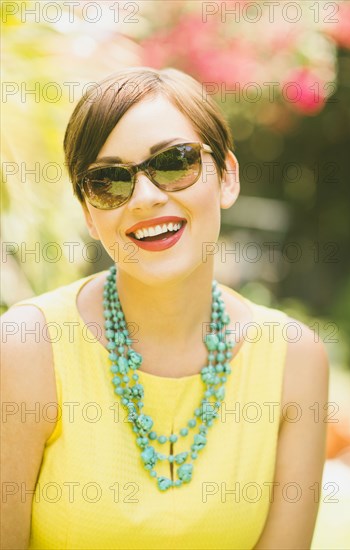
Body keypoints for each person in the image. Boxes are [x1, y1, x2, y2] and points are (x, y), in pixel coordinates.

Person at [1, 67, 329, 550]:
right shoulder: (27, 349)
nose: (147, 198)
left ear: (228, 178)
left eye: (174, 163)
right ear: (90, 214)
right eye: (109, 181)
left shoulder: (295, 361)